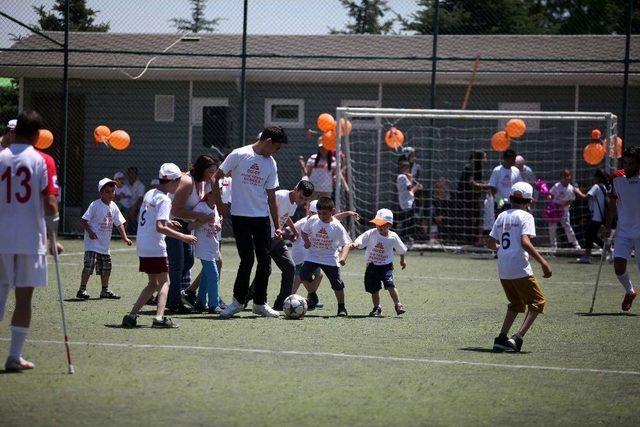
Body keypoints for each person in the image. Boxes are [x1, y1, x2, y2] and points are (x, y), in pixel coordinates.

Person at [0, 110, 63, 371]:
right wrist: (54, 238)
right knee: (24, 299)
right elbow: (50, 204)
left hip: (1, 237)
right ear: (38, 135)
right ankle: (14, 355)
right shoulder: (43, 160)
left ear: (13, 132)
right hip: (29, 239)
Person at [212, 126, 286, 318]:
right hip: (240, 217)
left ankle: (260, 304)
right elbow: (216, 178)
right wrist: (219, 204)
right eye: (276, 147)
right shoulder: (238, 154)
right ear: (268, 142)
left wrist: (278, 227)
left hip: (262, 219)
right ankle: (237, 302)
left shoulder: (271, 163)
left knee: (265, 261)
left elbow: (271, 198)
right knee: (247, 259)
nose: (276, 152)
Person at [122, 163, 197, 329]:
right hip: (156, 246)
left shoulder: (151, 193)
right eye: (178, 181)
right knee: (165, 282)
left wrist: (168, 221)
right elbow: (160, 227)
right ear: (172, 182)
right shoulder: (164, 199)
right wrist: (183, 236)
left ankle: (131, 315)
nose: (179, 185)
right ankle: (159, 318)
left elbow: (151, 218)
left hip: (143, 245)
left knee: (153, 284)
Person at [487, 182, 552, 352]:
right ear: (530, 201)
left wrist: (502, 249)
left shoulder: (501, 216)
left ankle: (501, 338)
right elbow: (525, 242)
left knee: (516, 303)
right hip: (519, 268)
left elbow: (490, 243)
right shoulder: (526, 216)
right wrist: (543, 262)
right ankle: (518, 338)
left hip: (503, 269)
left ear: (510, 198)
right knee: (538, 302)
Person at [248, 179, 314, 310]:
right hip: (265, 235)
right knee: (266, 268)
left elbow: (286, 216)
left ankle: (281, 304)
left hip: (276, 237)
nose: (301, 201)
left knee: (289, 267)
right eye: (301, 197)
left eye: (305, 200)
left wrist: (294, 230)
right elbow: (263, 210)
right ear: (296, 188)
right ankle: (248, 295)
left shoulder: (294, 202)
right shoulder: (280, 196)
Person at [166, 155, 219, 314]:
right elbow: (175, 210)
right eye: (210, 171)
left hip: (186, 225)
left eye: (214, 171)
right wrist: (200, 216)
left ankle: (168, 292)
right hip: (174, 223)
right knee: (177, 265)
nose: (212, 175)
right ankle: (173, 303)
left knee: (188, 262)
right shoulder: (187, 182)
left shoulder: (203, 182)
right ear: (201, 169)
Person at [76, 178, 132, 300]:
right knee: (89, 266)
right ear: (101, 193)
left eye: (113, 191)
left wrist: (125, 238)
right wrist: (90, 232)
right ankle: (82, 289)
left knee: (106, 268)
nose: (111, 194)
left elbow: (119, 223)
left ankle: (104, 290)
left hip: (104, 245)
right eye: (107, 191)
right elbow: (84, 220)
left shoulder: (114, 206)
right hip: (93, 244)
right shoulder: (95, 205)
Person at [347, 208, 408, 317]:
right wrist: (356, 244)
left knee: (390, 285)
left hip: (386, 266)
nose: (379, 226)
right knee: (374, 289)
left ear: (389, 224)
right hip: (372, 266)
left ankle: (398, 305)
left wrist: (402, 261)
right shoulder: (371, 233)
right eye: (377, 223)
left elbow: (401, 250)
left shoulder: (393, 237)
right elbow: (361, 239)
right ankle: (377, 308)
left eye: (382, 224)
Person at [300, 197, 352, 316]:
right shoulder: (313, 220)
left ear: (332, 211)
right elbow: (304, 232)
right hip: (313, 255)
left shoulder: (337, 226)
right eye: (319, 213)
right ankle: (313, 297)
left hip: (329, 257)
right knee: (302, 274)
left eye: (324, 213)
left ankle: (341, 308)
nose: (321, 216)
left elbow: (346, 244)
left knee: (337, 284)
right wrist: (306, 241)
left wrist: (343, 258)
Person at [606, 146, 640, 311]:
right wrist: (607, 225)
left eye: (632, 164)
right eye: (625, 163)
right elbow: (612, 203)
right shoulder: (616, 177)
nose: (628, 167)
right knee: (619, 266)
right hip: (623, 230)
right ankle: (630, 291)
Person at [187, 191, 222, 314]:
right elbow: (190, 226)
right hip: (203, 246)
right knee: (213, 274)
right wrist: (205, 219)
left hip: (212, 246)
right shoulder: (200, 207)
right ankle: (214, 305)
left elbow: (216, 222)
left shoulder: (215, 207)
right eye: (216, 193)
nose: (219, 194)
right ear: (208, 195)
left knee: (207, 275)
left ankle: (201, 302)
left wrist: (218, 225)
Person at [548, 169, 585, 251]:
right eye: (564, 176)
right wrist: (550, 197)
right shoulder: (557, 186)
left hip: (564, 211)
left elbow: (572, 200)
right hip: (554, 210)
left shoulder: (571, 188)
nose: (566, 178)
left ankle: (576, 244)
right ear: (561, 177)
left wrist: (563, 205)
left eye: (568, 176)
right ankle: (553, 247)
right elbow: (551, 194)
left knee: (567, 227)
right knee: (552, 228)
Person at [577, 169, 610, 264]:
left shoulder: (596, 186)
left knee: (589, 235)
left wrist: (576, 190)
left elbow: (584, 197)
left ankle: (587, 256)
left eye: (594, 177)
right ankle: (610, 250)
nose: (593, 179)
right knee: (593, 236)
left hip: (596, 216)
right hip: (601, 216)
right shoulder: (603, 187)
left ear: (598, 178)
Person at [456, 150, 488, 245]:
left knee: (476, 218)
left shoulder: (479, 167)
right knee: (470, 218)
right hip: (466, 197)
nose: (486, 159)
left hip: (475, 197)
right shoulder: (470, 167)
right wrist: (483, 186)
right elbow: (471, 182)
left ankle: (475, 239)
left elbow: (478, 181)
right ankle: (468, 240)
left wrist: (485, 184)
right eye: (484, 157)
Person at [488, 149, 522, 214]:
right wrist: (497, 199)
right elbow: (492, 186)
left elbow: (520, 185)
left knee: (512, 222)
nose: (514, 161)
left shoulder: (516, 171)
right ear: (506, 159)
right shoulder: (497, 170)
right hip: (500, 203)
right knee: (500, 222)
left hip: (513, 203)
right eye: (513, 159)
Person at [396, 160, 422, 242]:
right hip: (405, 203)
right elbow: (409, 188)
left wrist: (417, 187)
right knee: (408, 222)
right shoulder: (402, 177)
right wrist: (410, 179)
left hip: (409, 203)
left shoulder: (404, 178)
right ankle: (403, 237)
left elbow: (411, 192)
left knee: (408, 221)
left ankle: (405, 237)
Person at [124, 167, 146, 234]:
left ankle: (134, 230)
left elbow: (140, 199)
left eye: (133, 173)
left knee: (132, 211)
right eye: (130, 173)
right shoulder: (125, 184)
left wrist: (134, 206)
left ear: (136, 175)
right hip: (125, 205)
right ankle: (123, 231)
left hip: (136, 206)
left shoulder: (140, 185)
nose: (131, 175)